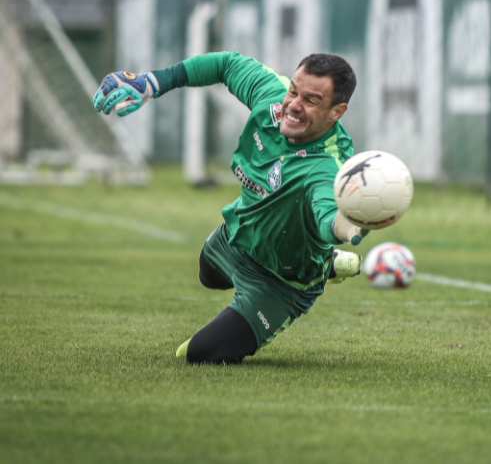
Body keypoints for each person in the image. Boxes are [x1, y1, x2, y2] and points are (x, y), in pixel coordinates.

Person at [93, 51, 371, 365]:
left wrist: (347, 225)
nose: (293, 104)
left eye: (311, 100)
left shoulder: (327, 166)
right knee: (207, 275)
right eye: (294, 90)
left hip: (280, 279)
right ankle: (329, 261)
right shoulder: (271, 95)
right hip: (236, 235)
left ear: (337, 111)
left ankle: (321, 265)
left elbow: (327, 216)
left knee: (203, 354)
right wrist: (151, 83)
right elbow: (225, 64)